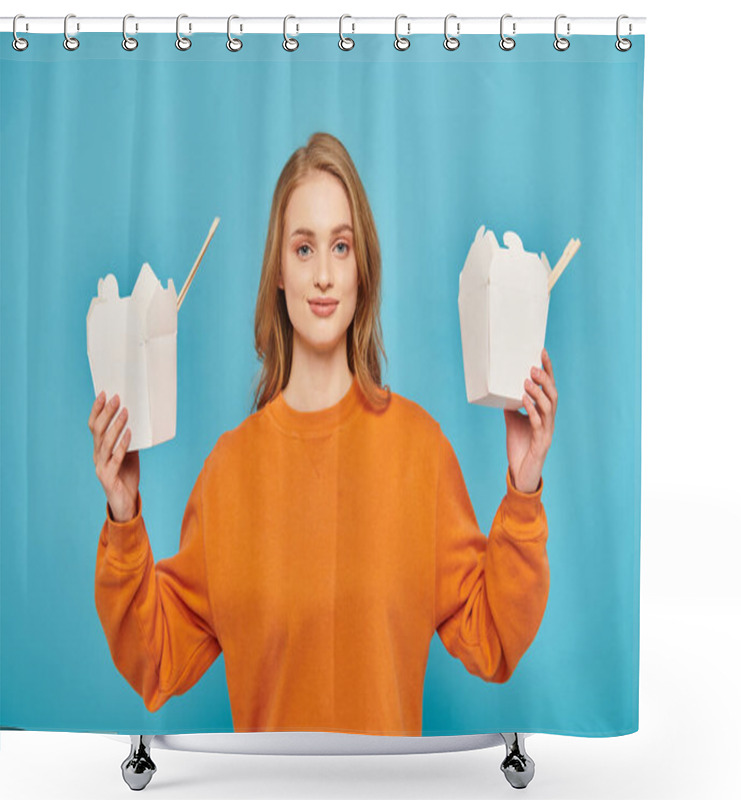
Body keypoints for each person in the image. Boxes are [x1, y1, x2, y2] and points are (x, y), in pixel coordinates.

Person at [90, 132, 556, 736]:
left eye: (341, 246)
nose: (325, 276)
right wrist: (123, 517)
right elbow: (154, 659)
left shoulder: (421, 452)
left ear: (363, 269)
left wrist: (524, 488)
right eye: (304, 249)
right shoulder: (227, 474)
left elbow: (494, 635)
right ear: (278, 273)